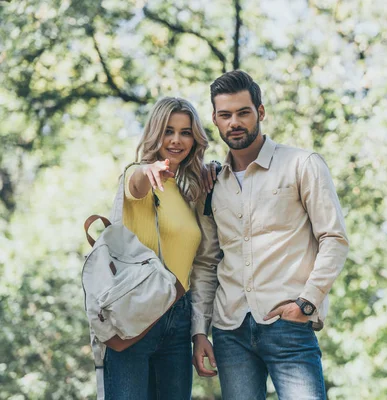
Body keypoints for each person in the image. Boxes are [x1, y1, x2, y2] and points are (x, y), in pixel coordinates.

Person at [189, 70, 350, 400]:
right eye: (225, 115)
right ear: (216, 121)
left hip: (288, 324)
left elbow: (333, 238)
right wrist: (199, 331)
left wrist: (306, 303)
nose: (235, 122)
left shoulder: (302, 164)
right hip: (229, 330)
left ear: (260, 113)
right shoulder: (212, 184)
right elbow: (206, 263)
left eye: (243, 112)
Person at [103, 97, 211, 399]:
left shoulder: (190, 190)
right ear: (155, 133)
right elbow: (135, 183)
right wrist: (146, 171)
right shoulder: (137, 175)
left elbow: (201, 263)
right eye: (168, 131)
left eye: (185, 132)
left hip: (178, 318)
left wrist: (199, 331)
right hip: (134, 313)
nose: (176, 140)